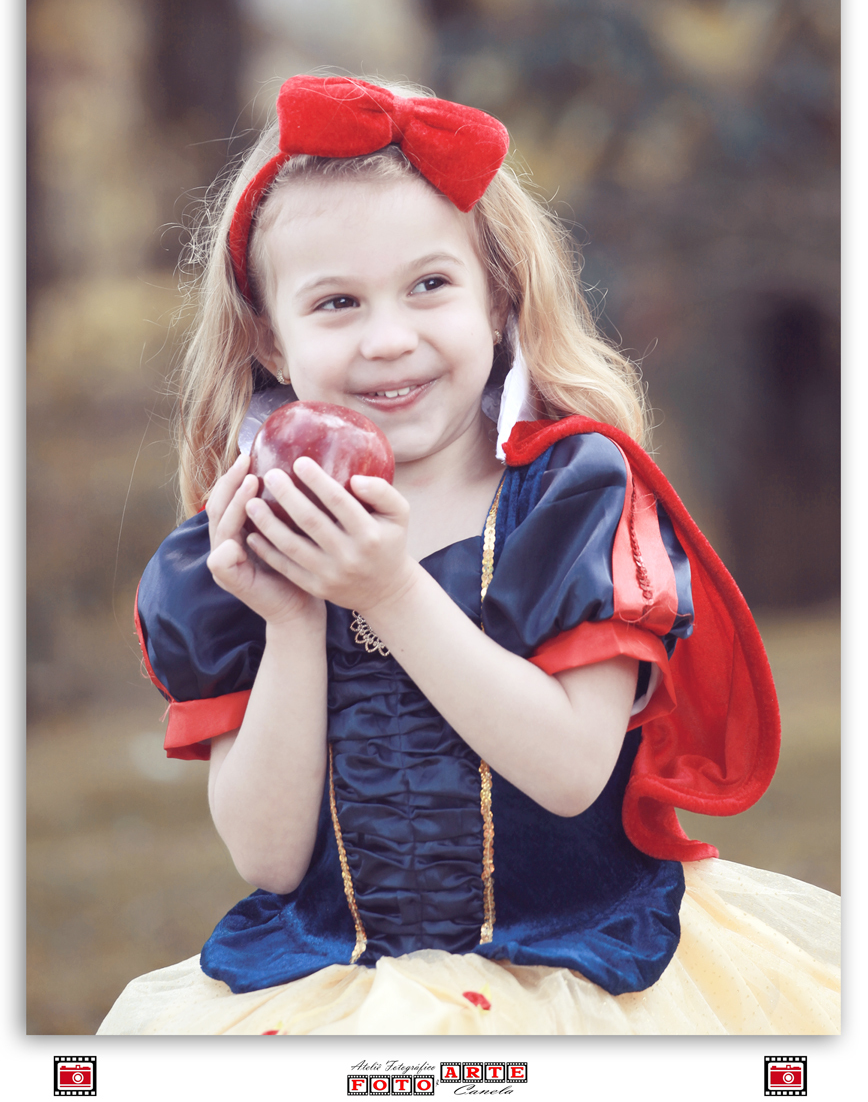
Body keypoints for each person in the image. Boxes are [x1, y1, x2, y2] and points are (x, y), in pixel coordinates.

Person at [98, 75, 839, 1036]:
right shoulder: (247, 541)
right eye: (335, 302)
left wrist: (389, 591)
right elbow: (269, 859)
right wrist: (292, 616)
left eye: (430, 285)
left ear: (498, 300)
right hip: (343, 988)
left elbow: (573, 770)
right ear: (268, 341)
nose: (390, 338)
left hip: (579, 976)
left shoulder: (570, 494)